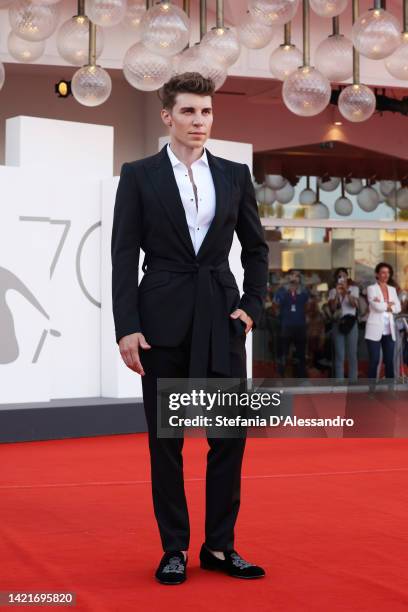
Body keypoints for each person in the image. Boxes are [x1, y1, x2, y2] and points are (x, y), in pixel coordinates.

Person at [111, 73, 269, 584]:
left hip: (223, 320)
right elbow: (121, 257)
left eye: (206, 112)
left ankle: (220, 547)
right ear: (167, 117)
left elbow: (256, 248)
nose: (199, 122)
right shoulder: (139, 175)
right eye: (188, 112)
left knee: (229, 438)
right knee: (167, 440)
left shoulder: (234, 174)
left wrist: (251, 306)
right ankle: (174, 548)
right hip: (161, 323)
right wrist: (127, 326)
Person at [365, 262, 401, 385]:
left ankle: (391, 389)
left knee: (389, 361)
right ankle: (371, 389)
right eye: (383, 272)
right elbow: (376, 307)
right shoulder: (371, 288)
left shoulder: (392, 289)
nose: (386, 275)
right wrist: (389, 305)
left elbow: (398, 308)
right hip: (374, 329)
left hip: (389, 330)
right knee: (374, 360)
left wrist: (383, 304)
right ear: (377, 274)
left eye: (388, 273)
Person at [274, 269, 309, 378]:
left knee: (300, 354)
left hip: (300, 326)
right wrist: (285, 285)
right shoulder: (282, 291)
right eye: (292, 275)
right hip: (286, 325)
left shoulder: (303, 291)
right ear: (288, 277)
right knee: (283, 353)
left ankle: (301, 378)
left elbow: (309, 303)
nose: (294, 278)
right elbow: (275, 303)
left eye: (297, 276)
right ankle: (281, 377)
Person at [328, 268, 359, 382]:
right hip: (338, 322)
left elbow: (354, 304)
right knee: (339, 353)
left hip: (351, 322)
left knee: (352, 353)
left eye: (344, 276)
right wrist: (337, 293)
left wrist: (346, 291)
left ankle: (353, 380)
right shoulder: (332, 291)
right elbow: (332, 308)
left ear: (347, 277)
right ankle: (339, 380)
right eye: (339, 276)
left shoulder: (354, 288)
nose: (342, 278)